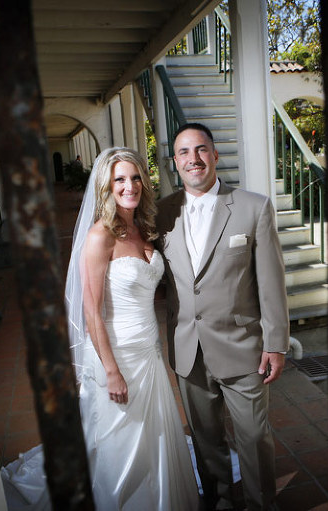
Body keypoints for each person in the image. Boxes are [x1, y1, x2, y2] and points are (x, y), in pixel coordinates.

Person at [156, 123, 290, 510]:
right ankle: (220, 503)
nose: (193, 159)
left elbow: (271, 282)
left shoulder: (253, 206)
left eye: (201, 149)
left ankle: (261, 504)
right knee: (205, 439)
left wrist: (276, 343)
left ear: (214, 155)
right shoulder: (161, 213)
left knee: (254, 437)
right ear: (175, 161)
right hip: (187, 349)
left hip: (243, 348)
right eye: (184, 152)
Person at [64, 147, 199, 511]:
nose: (130, 186)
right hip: (117, 354)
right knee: (123, 443)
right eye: (120, 179)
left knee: (155, 434)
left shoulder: (143, 228)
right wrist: (111, 371)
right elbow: (91, 311)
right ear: (106, 187)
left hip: (149, 353)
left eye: (136, 177)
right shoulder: (100, 236)